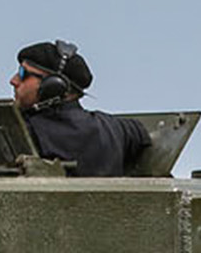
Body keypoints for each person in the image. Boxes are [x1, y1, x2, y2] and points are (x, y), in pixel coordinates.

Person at [11, 40, 151, 176]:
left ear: (53, 87)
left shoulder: (27, 132)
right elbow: (144, 136)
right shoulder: (120, 129)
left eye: (23, 73)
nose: (13, 81)